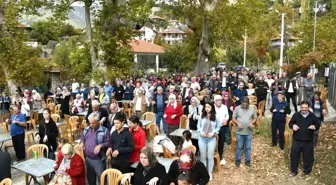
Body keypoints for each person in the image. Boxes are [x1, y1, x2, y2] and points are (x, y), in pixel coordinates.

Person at [289, 101, 320, 177]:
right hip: (296, 140)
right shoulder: (296, 115)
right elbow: (290, 123)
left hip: (308, 141)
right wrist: (293, 126)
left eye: (306, 108)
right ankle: (293, 171)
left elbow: (318, 124)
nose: (304, 109)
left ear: (308, 108)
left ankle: (307, 171)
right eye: (302, 108)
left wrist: (314, 126)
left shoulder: (312, 116)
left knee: (308, 157)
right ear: (300, 107)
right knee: (294, 156)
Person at [79, 113, 111, 185]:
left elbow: (109, 142)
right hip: (88, 159)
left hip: (98, 160)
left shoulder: (104, 130)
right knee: (90, 179)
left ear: (98, 121)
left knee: (101, 179)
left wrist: (101, 145)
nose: (91, 125)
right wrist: (82, 143)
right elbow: (83, 138)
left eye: (93, 123)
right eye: (90, 123)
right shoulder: (86, 129)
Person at [197, 102, 221, 180]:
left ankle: (209, 172)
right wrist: (200, 131)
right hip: (202, 138)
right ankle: (203, 173)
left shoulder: (216, 117)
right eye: (206, 107)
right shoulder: (202, 115)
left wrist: (213, 132)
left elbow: (218, 127)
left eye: (208, 107)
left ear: (212, 108)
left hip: (211, 139)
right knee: (203, 156)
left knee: (210, 156)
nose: (207, 108)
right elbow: (198, 125)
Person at [232, 97, 257, 168]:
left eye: (246, 103)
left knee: (248, 147)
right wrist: (238, 123)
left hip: (248, 131)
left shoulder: (252, 109)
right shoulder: (237, 108)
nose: (245, 104)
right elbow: (233, 118)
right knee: (239, 146)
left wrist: (252, 123)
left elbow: (255, 118)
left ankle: (247, 161)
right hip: (239, 132)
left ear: (248, 103)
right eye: (243, 103)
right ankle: (238, 160)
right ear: (241, 102)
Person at [213, 95, 229, 166]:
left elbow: (227, 115)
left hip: (222, 127)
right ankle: (213, 157)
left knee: (221, 142)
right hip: (214, 127)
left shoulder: (224, 107)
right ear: (215, 101)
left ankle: (220, 155)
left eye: (220, 100)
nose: (219, 101)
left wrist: (226, 119)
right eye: (217, 100)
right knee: (213, 142)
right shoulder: (212, 107)